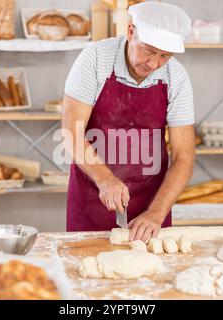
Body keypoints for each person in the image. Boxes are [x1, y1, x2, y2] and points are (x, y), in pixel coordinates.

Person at [62, 2, 195, 243]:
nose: (153, 64)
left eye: (164, 56)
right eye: (148, 51)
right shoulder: (95, 59)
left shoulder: (176, 77)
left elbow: (183, 157)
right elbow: (71, 132)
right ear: (131, 31)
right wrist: (105, 179)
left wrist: (156, 212)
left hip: (152, 207)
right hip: (93, 199)